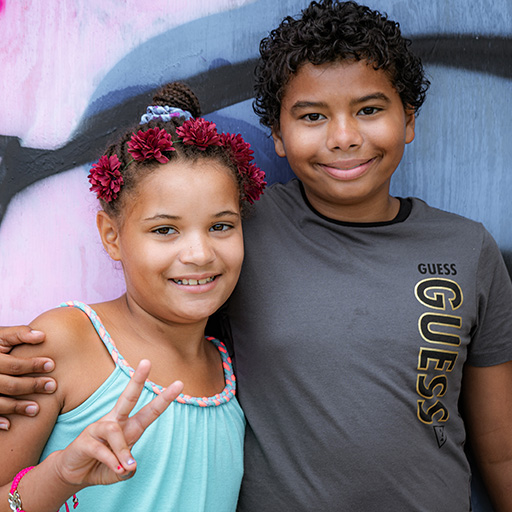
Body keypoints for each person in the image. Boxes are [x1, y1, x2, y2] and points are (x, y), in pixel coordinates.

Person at [2, 1, 512, 510]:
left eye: (370, 109)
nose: (344, 137)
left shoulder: (467, 249)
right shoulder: (245, 225)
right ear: (277, 137)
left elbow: (500, 451)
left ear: (409, 119)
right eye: (312, 116)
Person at [0, 81, 265, 512]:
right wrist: (59, 475)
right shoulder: (62, 343)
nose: (199, 254)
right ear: (112, 237)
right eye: (165, 230)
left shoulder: (230, 367)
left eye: (221, 226)